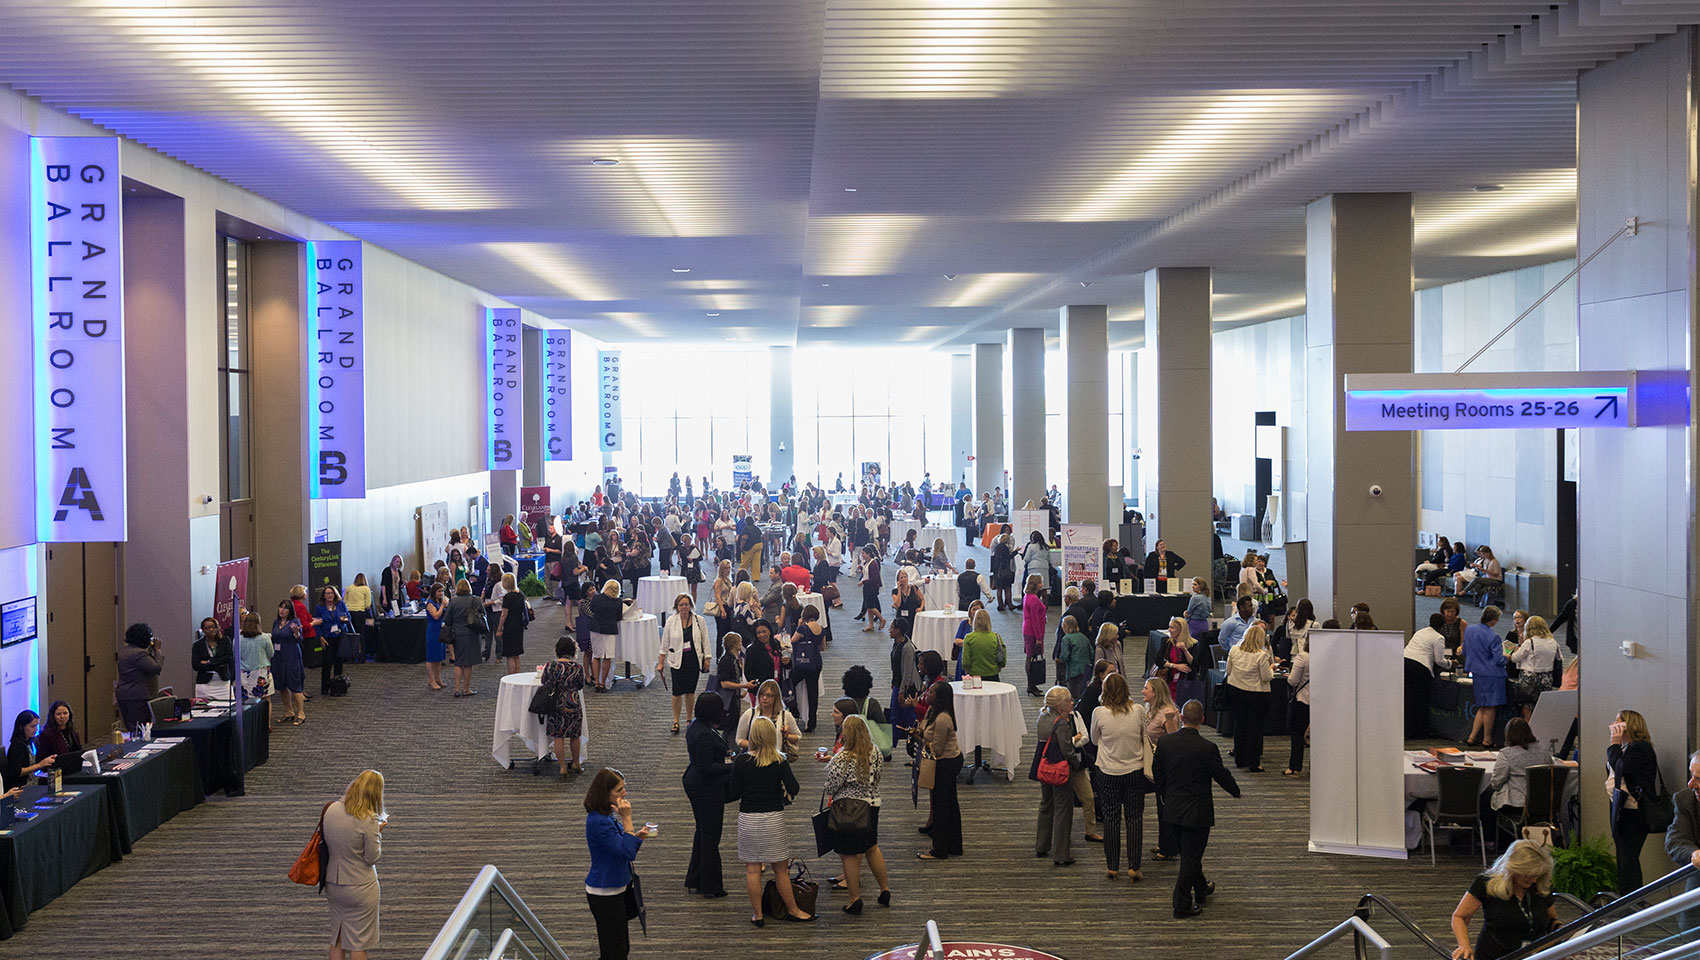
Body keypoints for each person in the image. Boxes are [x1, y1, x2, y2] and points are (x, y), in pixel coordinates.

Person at [1152, 699, 1240, 918]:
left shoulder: (1165, 743)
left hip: (1172, 809)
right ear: (1201, 720)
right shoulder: (1207, 748)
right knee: (1191, 856)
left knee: (1189, 853)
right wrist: (1236, 791)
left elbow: (1158, 773)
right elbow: (1221, 774)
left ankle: (1201, 888)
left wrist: (1164, 795)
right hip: (1197, 812)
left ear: (1181, 718)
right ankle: (1181, 904)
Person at [729, 717, 812, 925]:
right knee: (781, 869)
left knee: (753, 869)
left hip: (748, 818)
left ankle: (757, 915)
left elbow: (733, 791)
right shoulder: (779, 760)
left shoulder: (740, 761)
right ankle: (793, 909)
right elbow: (794, 788)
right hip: (773, 819)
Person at [824, 714, 892, 913]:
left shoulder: (843, 758)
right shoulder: (876, 752)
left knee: (849, 854)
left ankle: (855, 899)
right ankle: (884, 889)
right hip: (872, 805)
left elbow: (830, 786)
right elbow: (878, 776)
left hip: (849, 810)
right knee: (872, 847)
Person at [1448, 840, 1557, 960]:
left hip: (1535, 954)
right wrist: (1464, 945)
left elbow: (1551, 919)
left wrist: (1562, 930)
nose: (1534, 880)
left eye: (1537, 875)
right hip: (1495, 954)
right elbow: (1459, 917)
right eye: (1528, 874)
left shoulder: (1540, 886)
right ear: (1513, 868)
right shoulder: (1485, 883)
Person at [583, 768, 651, 958]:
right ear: (605, 793)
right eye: (619, 790)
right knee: (614, 951)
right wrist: (627, 819)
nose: (624, 793)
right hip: (605, 893)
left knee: (619, 948)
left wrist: (634, 836)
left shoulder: (606, 815)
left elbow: (619, 848)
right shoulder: (598, 821)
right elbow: (627, 853)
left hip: (616, 888)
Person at [322, 769, 387, 960]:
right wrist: (377, 832)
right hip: (360, 886)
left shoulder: (331, 809)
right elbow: (372, 857)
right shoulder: (369, 819)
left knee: (338, 938)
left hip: (333, 883)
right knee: (358, 943)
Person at [1091, 673, 1149, 881]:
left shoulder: (1099, 712)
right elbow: (1144, 735)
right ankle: (1134, 866)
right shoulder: (1139, 710)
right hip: (1135, 770)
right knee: (1135, 818)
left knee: (1111, 818)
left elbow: (1094, 740)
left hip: (1108, 771)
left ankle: (1112, 866)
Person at [1033, 686, 1090, 866]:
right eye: (1069, 701)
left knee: (1046, 804)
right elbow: (1067, 749)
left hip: (1043, 766)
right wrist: (1076, 764)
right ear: (1059, 705)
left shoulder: (1042, 717)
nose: (1072, 703)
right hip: (1060, 769)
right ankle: (1061, 853)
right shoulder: (1062, 724)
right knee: (1063, 810)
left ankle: (1041, 845)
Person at [1607, 709, 1662, 893]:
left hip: (1634, 811)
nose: (1614, 726)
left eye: (1618, 722)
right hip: (1621, 808)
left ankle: (1632, 905)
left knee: (1629, 858)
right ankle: (1625, 902)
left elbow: (1622, 767)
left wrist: (1613, 745)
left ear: (1628, 725)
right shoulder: (1626, 748)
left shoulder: (1641, 748)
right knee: (1623, 858)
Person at [683, 694, 731, 898]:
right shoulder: (703, 733)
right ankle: (710, 886)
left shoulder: (698, 725)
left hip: (696, 783)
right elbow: (707, 767)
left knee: (703, 832)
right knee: (710, 835)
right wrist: (732, 766)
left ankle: (697, 878)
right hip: (706, 788)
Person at [1485, 718, 1553, 849]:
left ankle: (1489, 839)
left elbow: (1497, 781)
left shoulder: (1507, 754)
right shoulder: (1544, 751)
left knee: (1486, 797)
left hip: (1517, 804)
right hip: (1542, 803)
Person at [917, 681, 964, 861]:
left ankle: (940, 849)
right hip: (942, 761)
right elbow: (923, 730)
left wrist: (923, 742)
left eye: (932, 692)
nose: (928, 693)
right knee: (949, 803)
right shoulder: (931, 712)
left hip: (947, 763)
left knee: (942, 805)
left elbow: (936, 748)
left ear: (939, 697)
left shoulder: (943, 718)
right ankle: (953, 845)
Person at [1142, 677, 1183, 861]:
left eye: (1146, 688)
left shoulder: (1167, 713)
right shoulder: (1151, 710)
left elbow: (1175, 741)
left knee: (1165, 807)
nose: (1143, 691)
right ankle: (1164, 843)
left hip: (1166, 767)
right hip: (1155, 764)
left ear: (1155, 693)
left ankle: (1168, 848)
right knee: (1161, 806)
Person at [658, 594, 711, 735]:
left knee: (690, 691)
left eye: (686, 604)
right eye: (681, 605)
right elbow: (664, 643)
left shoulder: (699, 620)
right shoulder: (671, 621)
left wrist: (707, 658)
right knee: (676, 691)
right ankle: (676, 720)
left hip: (693, 660)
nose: (684, 607)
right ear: (677, 606)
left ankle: (689, 719)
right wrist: (661, 662)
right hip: (676, 660)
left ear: (691, 606)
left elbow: (705, 640)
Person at [535, 635, 586, 777]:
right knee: (575, 735)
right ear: (573, 651)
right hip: (573, 702)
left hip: (556, 703)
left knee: (559, 736)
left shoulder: (551, 665)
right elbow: (581, 685)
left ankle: (562, 767)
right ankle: (576, 763)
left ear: (557, 650)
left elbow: (544, 681)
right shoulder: (577, 667)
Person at [1226, 622, 1274, 772]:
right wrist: (1272, 669)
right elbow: (1266, 677)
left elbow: (1228, 669)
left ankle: (1239, 759)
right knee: (1255, 729)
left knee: (1240, 725)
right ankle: (1254, 763)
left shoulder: (1234, 650)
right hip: (1257, 695)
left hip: (1236, 691)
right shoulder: (1261, 656)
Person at [1463, 607, 1509, 747]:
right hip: (1492, 675)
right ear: (1494, 620)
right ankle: (1487, 739)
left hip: (1476, 672)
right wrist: (1509, 657)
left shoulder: (1469, 630)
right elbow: (1498, 660)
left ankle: (1472, 737)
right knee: (1490, 708)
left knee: (1482, 706)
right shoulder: (1493, 636)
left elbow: (1465, 651)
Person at [1405, 612, 1451, 738]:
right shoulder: (1438, 638)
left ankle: (1408, 730)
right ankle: (1421, 732)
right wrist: (1451, 663)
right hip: (1420, 668)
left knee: (1408, 700)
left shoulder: (1421, 631)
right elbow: (1439, 660)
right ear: (1443, 625)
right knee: (1421, 701)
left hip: (1405, 662)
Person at [1510, 615, 1562, 720]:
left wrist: (1518, 647)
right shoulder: (1553, 642)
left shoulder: (1530, 642)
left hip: (1529, 679)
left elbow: (1515, 658)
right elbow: (1559, 659)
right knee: (1541, 708)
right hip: (1547, 678)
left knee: (1527, 708)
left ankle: (1527, 733)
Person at [116, 622, 165, 730]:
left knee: (132, 726)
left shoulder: (126, 650)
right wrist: (157, 650)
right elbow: (155, 668)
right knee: (139, 728)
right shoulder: (139, 653)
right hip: (138, 696)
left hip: (127, 694)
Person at [736, 679, 801, 753]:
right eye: (762, 695)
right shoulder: (749, 714)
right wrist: (755, 745)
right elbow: (739, 739)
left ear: (776, 697)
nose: (764, 698)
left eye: (768, 695)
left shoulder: (785, 715)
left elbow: (797, 737)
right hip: (753, 759)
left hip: (777, 759)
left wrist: (786, 735)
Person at [445, 579, 485, 698]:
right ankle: (466, 688)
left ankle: (457, 689)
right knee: (468, 663)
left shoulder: (453, 601)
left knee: (458, 662)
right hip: (472, 634)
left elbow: (447, 619)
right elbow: (483, 615)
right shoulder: (476, 600)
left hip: (457, 634)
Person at [790, 606, 827, 732]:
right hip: (816, 662)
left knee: (790, 682)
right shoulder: (822, 629)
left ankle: (793, 708)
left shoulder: (803, 628)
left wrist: (798, 626)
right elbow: (822, 648)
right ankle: (812, 723)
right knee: (813, 693)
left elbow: (792, 641)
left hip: (803, 662)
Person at [270, 601, 307, 724]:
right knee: (281, 686)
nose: (282, 610)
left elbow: (300, 640)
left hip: (291, 657)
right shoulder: (276, 622)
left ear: (290, 611)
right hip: (278, 658)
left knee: (295, 686)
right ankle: (289, 711)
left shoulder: (295, 622)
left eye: (285, 608)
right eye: (280, 607)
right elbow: (274, 638)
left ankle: (301, 713)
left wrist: (296, 633)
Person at [588, 579, 628, 692]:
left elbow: (591, 609)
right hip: (610, 630)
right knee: (607, 657)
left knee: (596, 656)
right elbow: (619, 617)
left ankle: (595, 682)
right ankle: (602, 683)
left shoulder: (596, 598)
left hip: (596, 629)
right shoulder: (618, 602)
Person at [237, 612, 275, 726]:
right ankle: (266, 724)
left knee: (245, 701)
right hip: (261, 673)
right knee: (266, 700)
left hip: (244, 674)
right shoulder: (264, 637)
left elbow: (235, 655)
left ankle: (247, 724)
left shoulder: (238, 638)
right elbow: (271, 653)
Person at [314, 585, 353, 695]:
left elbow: (348, 617)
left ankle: (337, 686)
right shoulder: (320, 607)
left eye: (331, 593)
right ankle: (325, 687)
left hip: (340, 636)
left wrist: (344, 620)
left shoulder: (340, 604)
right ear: (324, 595)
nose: (329, 595)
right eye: (327, 593)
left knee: (338, 661)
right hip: (327, 637)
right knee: (327, 663)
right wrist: (320, 636)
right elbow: (317, 623)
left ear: (335, 594)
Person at [1284, 633, 1311, 777]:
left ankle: (1294, 767)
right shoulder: (1328, 657)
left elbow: (1293, 681)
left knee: (1297, 734)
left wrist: (1288, 677)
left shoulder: (1303, 657)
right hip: (1321, 701)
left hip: (1303, 699)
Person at [5, 711, 56, 787]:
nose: (35, 729)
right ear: (21, 727)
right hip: (21, 786)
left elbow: (30, 766)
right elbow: (16, 772)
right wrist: (39, 765)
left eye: (36, 726)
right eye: (32, 726)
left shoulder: (28, 741)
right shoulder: (17, 745)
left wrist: (44, 762)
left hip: (32, 782)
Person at [191, 616, 236, 701]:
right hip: (204, 684)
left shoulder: (225, 641)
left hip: (223, 683)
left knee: (227, 708)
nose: (211, 630)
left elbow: (228, 658)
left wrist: (209, 662)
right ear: (203, 630)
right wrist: (219, 663)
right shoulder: (197, 645)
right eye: (207, 628)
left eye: (213, 627)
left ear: (217, 627)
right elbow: (196, 665)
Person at [495, 572, 530, 675]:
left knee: (510, 654)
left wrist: (499, 628)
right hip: (519, 625)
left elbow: (504, 615)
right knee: (517, 653)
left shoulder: (507, 597)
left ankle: (511, 675)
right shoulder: (520, 595)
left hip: (510, 626)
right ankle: (518, 674)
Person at [35, 700, 82, 774]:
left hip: (74, 768)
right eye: (58, 714)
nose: (62, 716)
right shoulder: (46, 734)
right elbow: (41, 761)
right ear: (52, 716)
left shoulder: (72, 731)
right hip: (57, 771)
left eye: (65, 713)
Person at [1021, 575, 1048, 696]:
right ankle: (1031, 685)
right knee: (1031, 658)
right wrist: (1038, 638)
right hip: (1032, 631)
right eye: (1040, 583)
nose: (1042, 585)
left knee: (1030, 657)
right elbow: (1035, 620)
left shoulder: (1028, 596)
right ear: (1035, 584)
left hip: (1027, 629)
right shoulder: (1034, 599)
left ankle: (1031, 685)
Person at [423, 583, 449, 691]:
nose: (441, 593)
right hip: (433, 631)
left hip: (440, 629)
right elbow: (435, 615)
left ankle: (438, 678)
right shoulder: (430, 603)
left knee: (439, 657)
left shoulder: (438, 602)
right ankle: (431, 679)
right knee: (431, 657)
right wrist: (443, 606)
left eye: (442, 591)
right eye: (439, 591)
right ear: (434, 592)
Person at [344, 573, 373, 661]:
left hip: (349, 613)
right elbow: (368, 604)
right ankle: (361, 657)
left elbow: (344, 602)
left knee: (351, 634)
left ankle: (350, 657)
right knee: (361, 635)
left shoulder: (348, 588)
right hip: (360, 613)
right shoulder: (366, 589)